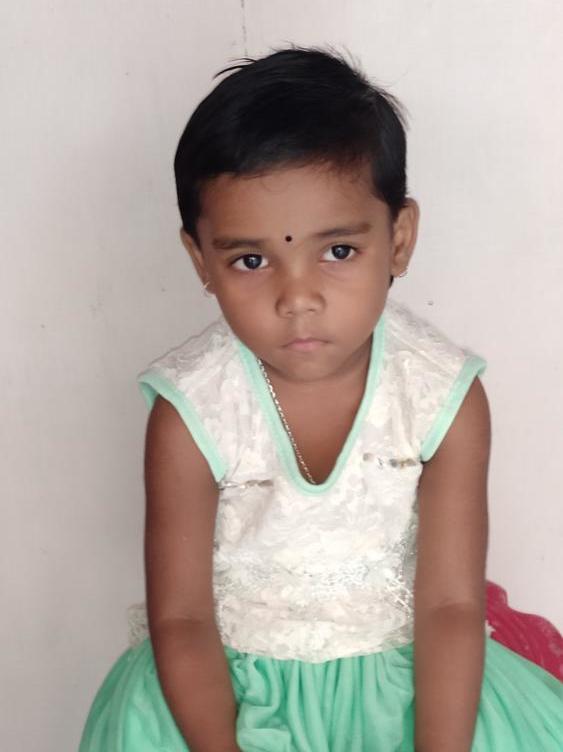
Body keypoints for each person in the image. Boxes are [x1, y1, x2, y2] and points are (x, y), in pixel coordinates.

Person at [78, 45, 563, 752]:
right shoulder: (190, 413)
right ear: (201, 260)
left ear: (398, 240)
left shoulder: (441, 397)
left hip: (413, 692)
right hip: (225, 693)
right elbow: (181, 619)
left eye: (337, 252)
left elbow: (451, 606)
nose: (297, 297)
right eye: (251, 260)